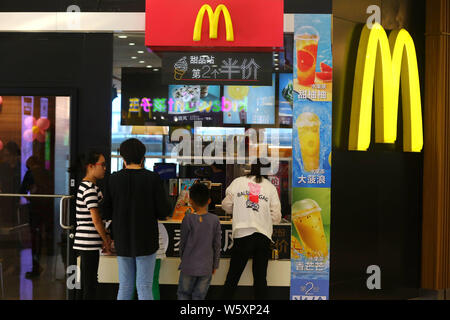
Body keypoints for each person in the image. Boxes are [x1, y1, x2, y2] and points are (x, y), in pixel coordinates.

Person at [102, 138, 171, 300]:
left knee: (125, 287)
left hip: (123, 239)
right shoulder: (152, 178)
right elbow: (163, 211)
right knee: (144, 287)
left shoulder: (114, 179)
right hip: (147, 241)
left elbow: (106, 211)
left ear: (123, 158)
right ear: (143, 158)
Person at [221, 160, 282, 300]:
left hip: (242, 235)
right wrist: (264, 218)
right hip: (263, 237)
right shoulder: (270, 187)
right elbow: (277, 216)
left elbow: (226, 205)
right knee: (260, 279)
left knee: (233, 277)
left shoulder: (238, 182)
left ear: (250, 168)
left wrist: (238, 211)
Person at [70, 151, 111, 300]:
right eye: (102, 164)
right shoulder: (89, 189)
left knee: (89, 281)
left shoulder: (90, 187)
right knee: (90, 284)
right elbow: (96, 219)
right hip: (88, 242)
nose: (105, 168)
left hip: (89, 242)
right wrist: (105, 238)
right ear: (91, 166)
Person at [177, 183, 221, 300]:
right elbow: (217, 245)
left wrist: (184, 258)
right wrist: (215, 264)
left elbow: (183, 243)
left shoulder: (188, 219)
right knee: (199, 296)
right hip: (206, 267)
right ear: (209, 200)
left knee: (183, 294)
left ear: (190, 201)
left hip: (188, 266)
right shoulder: (214, 220)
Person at [20, 156, 53, 278]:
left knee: (35, 237)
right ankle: (50, 269)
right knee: (48, 236)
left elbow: (22, 190)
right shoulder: (48, 173)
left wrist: (30, 197)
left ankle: (36, 267)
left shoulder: (30, 174)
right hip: (48, 208)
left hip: (35, 209)